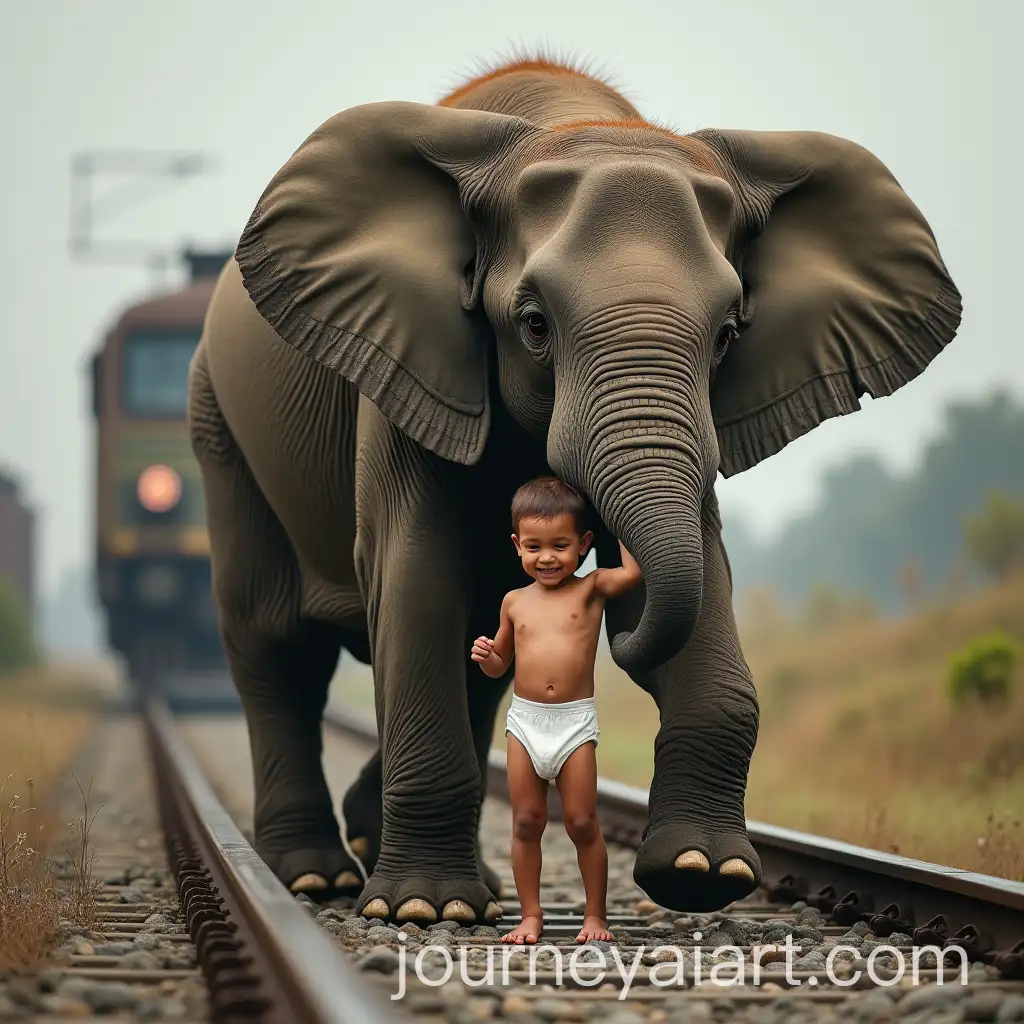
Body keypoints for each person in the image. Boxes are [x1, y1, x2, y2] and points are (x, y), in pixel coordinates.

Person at [471, 476, 643, 945]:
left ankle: (595, 916)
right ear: (517, 546)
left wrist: (622, 516)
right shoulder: (514, 602)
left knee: (582, 822)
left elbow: (633, 574)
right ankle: (530, 915)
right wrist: (490, 659)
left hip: (573, 724)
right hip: (525, 722)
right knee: (526, 821)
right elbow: (501, 665)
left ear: (585, 544)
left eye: (561, 545)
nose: (547, 557)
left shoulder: (591, 589)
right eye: (534, 546)